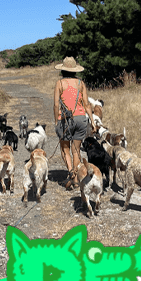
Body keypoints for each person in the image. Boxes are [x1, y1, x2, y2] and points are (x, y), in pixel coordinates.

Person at [53, 56, 95, 188]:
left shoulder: (60, 83)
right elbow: (87, 104)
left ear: (63, 70)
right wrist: (92, 120)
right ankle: (77, 178)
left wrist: (56, 120)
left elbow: (55, 105)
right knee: (76, 149)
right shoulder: (80, 83)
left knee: (65, 148)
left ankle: (71, 173)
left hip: (65, 120)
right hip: (81, 118)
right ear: (75, 71)